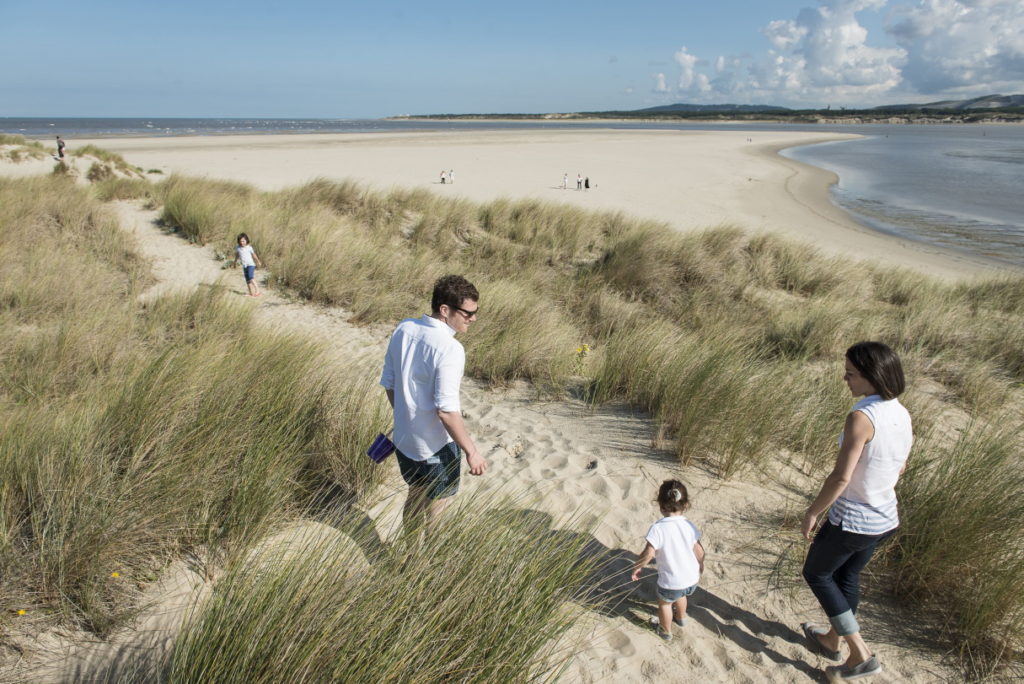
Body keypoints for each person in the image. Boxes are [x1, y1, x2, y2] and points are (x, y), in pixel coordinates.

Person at [800, 341, 912, 680]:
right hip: (884, 517)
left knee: (817, 574)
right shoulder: (901, 412)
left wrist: (812, 512)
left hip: (853, 519)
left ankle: (859, 653)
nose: (844, 379)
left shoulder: (861, 417)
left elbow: (840, 477)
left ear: (871, 377)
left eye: (850, 374)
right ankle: (831, 638)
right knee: (846, 576)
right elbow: (901, 467)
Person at [380, 275, 487, 534]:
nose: (473, 319)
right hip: (436, 446)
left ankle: (410, 554)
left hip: (405, 440)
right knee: (437, 509)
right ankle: (428, 565)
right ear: (444, 310)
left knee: (414, 497)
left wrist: (406, 417)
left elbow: (389, 384)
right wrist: (472, 451)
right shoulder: (450, 349)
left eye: (475, 312)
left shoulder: (404, 328)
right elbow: (447, 411)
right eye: (467, 313)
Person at [631, 479, 705, 642]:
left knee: (664, 604)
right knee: (682, 595)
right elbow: (699, 550)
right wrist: (700, 563)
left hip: (672, 581)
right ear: (685, 505)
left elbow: (648, 554)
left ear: (660, 505)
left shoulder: (658, 528)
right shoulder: (689, 525)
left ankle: (665, 630)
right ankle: (682, 617)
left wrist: (638, 566)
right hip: (691, 579)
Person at [233, 233, 263, 297]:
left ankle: (258, 291)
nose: (242, 242)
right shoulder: (238, 247)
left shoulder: (249, 247)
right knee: (247, 280)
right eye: (240, 241)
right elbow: (237, 255)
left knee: (250, 277)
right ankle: (251, 293)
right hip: (244, 266)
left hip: (251, 265)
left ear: (246, 240)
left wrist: (258, 261)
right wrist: (235, 262)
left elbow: (254, 255)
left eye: (243, 241)